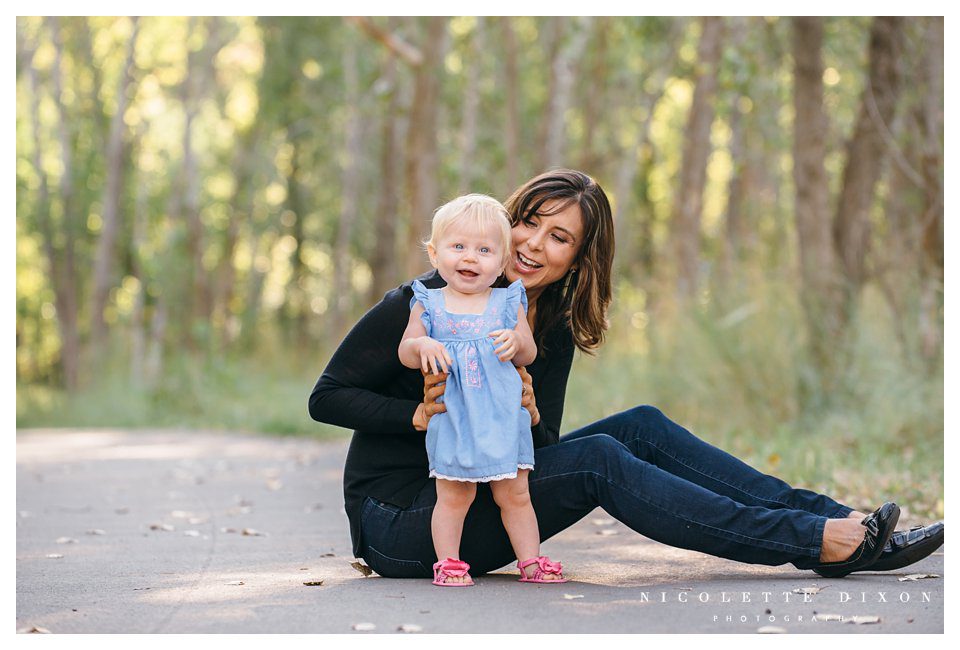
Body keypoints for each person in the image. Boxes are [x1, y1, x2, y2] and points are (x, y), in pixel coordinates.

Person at [309, 169, 943, 582]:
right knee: (601, 461)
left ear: (579, 258)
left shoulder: (539, 328)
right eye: (528, 221)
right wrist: (421, 416)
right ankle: (811, 539)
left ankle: (844, 525)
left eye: (558, 237)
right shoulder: (419, 303)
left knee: (638, 427)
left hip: (487, 495)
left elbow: (542, 445)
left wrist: (520, 405)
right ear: (501, 227)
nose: (533, 243)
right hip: (402, 523)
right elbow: (326, 397)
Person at [398, 193, 567, 586]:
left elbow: (529, 350)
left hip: (501, 416)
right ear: (434, 254)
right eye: (458, 247)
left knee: (516, 494)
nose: (470, 258)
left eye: (484, 250)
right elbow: (406, 350)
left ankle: (531, 561)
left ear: (503, 260)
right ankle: (449, 562)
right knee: (455, 497)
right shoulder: (429, 303)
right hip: (455, 418)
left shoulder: (509, 302)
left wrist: (515, 342)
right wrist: (422, 345)